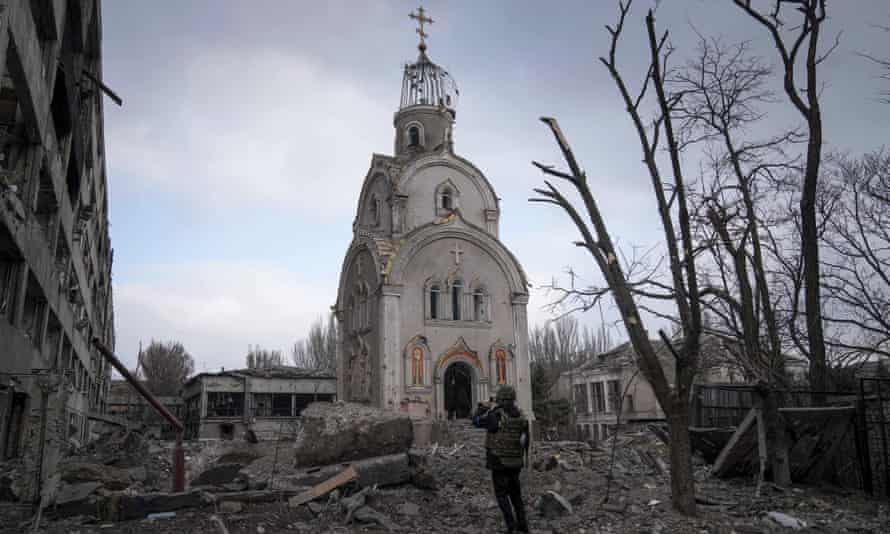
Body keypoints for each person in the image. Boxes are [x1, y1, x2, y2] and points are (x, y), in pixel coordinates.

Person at [482, 385, 530, 533]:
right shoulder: (521, 416)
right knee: (515, 494)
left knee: (501, 495)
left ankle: (511, 527)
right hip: (515, 461)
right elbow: (526, 440)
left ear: (501, 399)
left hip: (499, 461)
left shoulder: (496, 415)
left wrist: (486, 409)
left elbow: (480, 423)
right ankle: (523, 526)